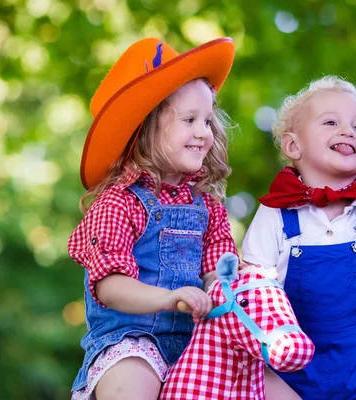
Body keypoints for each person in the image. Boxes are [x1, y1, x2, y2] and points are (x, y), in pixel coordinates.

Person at [68, 37, 239, 400]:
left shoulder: (207, 206)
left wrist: (226, 288)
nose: (203, 133)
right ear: (145, 128)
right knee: (134, 382)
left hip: (196, 343)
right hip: (130, 342)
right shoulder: (118, 203)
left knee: (259, 380)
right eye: (189, 120)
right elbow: (109, 287)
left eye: (207, 121)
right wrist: (170, 296)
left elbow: (219, 272)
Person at [242, 76, 356, 399]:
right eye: (331, 122)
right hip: (287, 378)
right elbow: (252, 293)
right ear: (294, 145)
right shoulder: (276, 214)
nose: (347, 131)